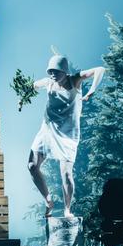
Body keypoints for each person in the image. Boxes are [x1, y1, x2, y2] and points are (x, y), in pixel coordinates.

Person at [27, 54, 105, 217]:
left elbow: (100, 69)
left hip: (67, 133)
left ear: (65, 71)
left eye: (57, 72)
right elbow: (32, 85)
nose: (53, 75)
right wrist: (26, 89)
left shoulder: (74, 80)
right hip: (48, 130)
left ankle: (67, 209)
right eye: (51, 72)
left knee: (66, 173)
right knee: (32, 166)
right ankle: (48, 201)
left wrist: (91, 91)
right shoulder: (49, 82)